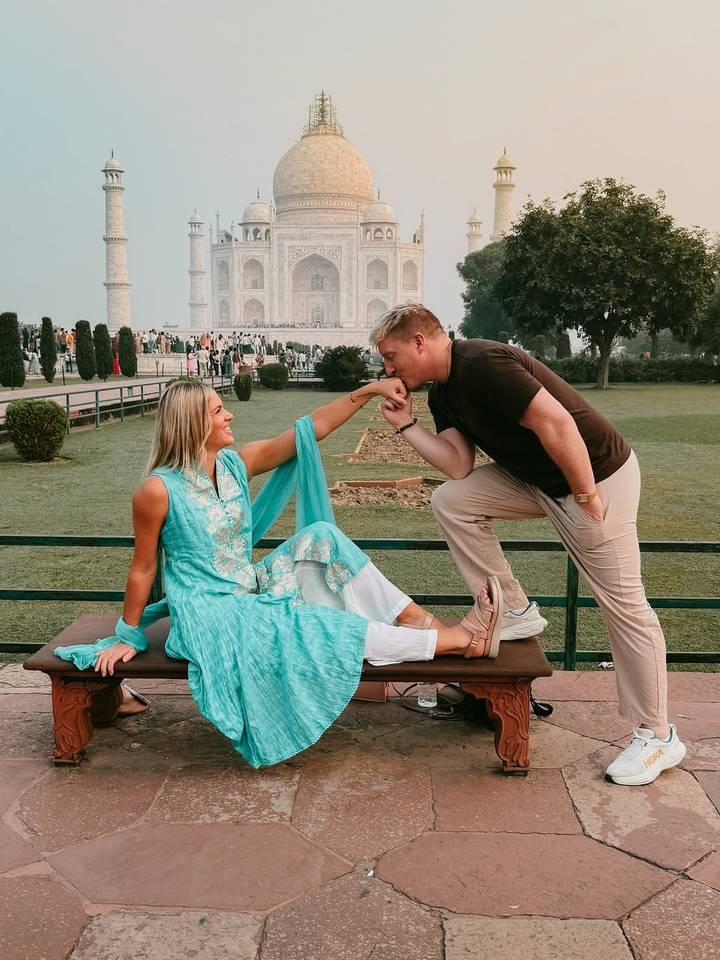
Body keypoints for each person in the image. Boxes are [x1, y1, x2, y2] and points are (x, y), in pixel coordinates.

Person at [55, 379, 501, 768]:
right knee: (319, 628)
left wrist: (369, 391)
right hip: (208, 613)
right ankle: (455, 640)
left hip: (247, 588)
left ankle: (417, 620)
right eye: (217, 410)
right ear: (193, 423)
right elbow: (144, 567)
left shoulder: (233, 465)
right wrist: (128, 634)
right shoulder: (157, 489)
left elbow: (310, 430)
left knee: (322, 535)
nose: (229, 415)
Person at [371, 302, 686, 787]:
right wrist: (406, 426)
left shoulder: (482, 363)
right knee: (453, 499)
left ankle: (657, 734)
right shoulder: (443, 395)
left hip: (596, 476)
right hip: (537, 480)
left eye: (391, 356)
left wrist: (586, 495)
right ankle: (512, 609)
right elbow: (457, 466)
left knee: (623, 604)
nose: (388, 368)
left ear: (419, 341)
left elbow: (556, 424)